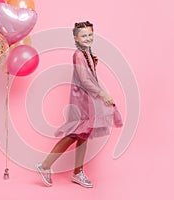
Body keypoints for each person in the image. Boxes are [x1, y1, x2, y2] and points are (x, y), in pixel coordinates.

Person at [35, 21, 122, 188]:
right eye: (84, 35)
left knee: (84, 134)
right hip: (81, 100)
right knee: (75, 133)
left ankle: (77, 171)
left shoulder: (87, 52)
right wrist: (102, 93)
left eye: (90, 34)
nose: (88, 38)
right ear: (76, 37)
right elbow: (83, 80)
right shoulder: (78, 54)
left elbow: (87, 74)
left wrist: (93, 66)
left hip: (88, 99)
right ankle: (44, 165)